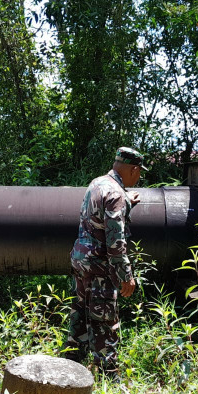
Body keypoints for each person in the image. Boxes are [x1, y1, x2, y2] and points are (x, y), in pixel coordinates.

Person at [65, 146, 146, 377]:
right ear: (134, 169)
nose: (138, 178)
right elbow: (115, 241)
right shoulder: (117, 195)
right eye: (139, 173)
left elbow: (98, 215)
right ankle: (107, 375)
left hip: (81, 261)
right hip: (99, 266)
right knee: (104, 321)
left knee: (80, 312)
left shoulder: (97, 183)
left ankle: (71, 366)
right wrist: (126, 275)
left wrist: (126, 202)